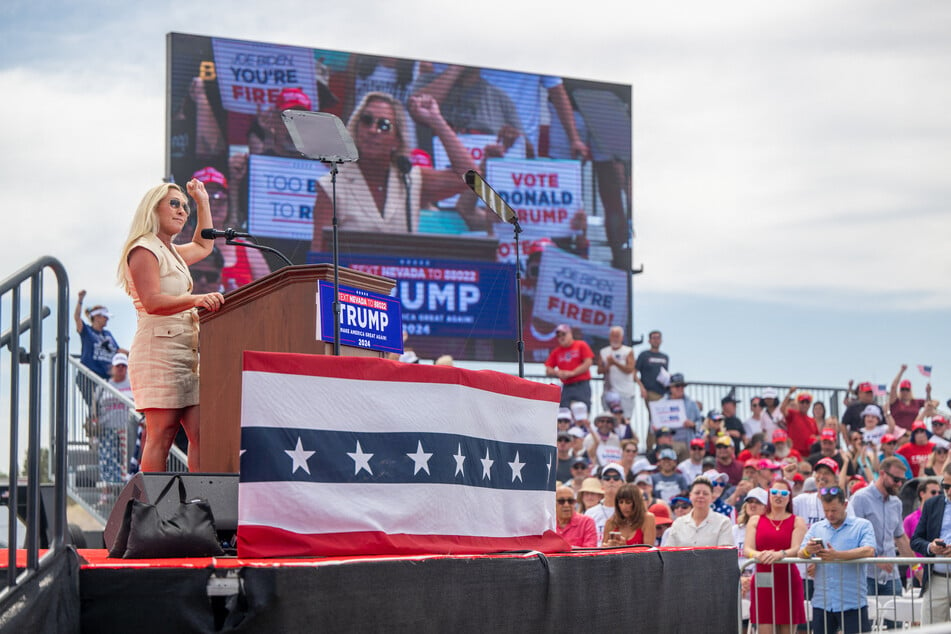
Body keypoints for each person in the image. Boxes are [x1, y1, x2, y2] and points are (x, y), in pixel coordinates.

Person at [117, 180, 225, 472]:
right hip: (158, 351)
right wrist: (197, 299)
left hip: (186, 354)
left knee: (203, 433)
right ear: (153, 208)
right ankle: (153, 511)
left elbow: (204, 244)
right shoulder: (143, 248)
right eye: (174, 204)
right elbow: (152, 301)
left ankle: (200, 504)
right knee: (161, 434)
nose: (182, 211)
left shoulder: (172, 251)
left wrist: (202, 200)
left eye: (184, 206)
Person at [308, 92, 475, 242]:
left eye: (384, 125)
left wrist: (436, 120)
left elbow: (470, 178)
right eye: (366, 121)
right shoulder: (332, 185)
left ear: (397, 140)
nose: (373, 130)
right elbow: (319, 257)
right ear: (357, 129)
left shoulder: (411, 180)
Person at [799, 486, 877, 634]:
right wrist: (808, 550)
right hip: (822, 602)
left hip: (852, 602)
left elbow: (869, 550)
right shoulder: (816, 527)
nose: (829, 514)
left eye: (834, 510)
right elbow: (800, 553)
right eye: (826, 510)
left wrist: (837, 556)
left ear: (845, 505)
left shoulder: (862, 525)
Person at [849, 457, 916, 620]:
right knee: (865, 624)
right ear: (882, 474)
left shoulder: (896, 503)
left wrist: (916, 568)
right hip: (866, 574)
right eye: (896, 479)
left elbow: (900, 537)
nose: (899, 484)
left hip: (892, 575)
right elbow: (851, 537)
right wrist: (874, 559)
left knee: (898, 625)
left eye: (902, 480)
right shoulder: (860, 498)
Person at [189, 166, 270, 292]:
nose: (215, 205)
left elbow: (271, 295)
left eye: (220, 198)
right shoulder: (179, 246)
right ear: (193, 204)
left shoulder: (249, 251)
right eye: (208, 199)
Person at [744, 479, 807, 632]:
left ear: (789, 497)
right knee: (764, 626)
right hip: (763, 579)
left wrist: (781, 554)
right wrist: (759, 555)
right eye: (774, 492)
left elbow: (797, 548)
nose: (778, 496)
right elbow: (747, 549)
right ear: (769, 495)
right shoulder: (755, 520)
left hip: (788, 580)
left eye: (784, 493)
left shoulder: (797, 521)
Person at [910, 461, 951, 625]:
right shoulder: (932, 504)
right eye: (946, 486)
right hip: (936, 579)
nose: (948, 491)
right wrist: (930, 547)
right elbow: (915, 540)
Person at [91, 353, 135, 502]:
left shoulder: (133, 384)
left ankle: (127, 495)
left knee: (127, 462)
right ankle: (106, 493)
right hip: (106, 429)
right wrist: (94, 431)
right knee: (106, 461)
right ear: (112, 368)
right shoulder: (103, 386)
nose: (121, 369)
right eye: (118, 366)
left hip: (127, 430)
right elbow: (94, 409)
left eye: (124, 366)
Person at [73, 290, 123, 405]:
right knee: (95, 406)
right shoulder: (87, 331)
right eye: (105, 317)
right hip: (89, 376)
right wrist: (80, 300)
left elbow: (117, 350)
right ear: (96, 317)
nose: (107, 319)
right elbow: (77, 318)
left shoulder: (108, 334)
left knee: (105, 406)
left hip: (105, 377)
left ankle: (94, 420)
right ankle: (92, 420)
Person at [662, 477, 734, 547]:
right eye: (697, 493)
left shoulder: (723, 523)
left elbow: (725, 555)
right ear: (690, 496)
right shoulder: (678, 523)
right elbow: (668, 552)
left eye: (705, 493)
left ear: (712, 497)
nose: (701, 496)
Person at [544, 324, 595, 410]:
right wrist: (558, 373)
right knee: (564, 412)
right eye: (558, 336)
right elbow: (548, 369)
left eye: (563, 334)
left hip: (581, 384)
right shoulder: (556, 351)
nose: (561, 337)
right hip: (567, 386)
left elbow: (588, 362)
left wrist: (572, 373)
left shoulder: (581, 345)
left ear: (570, 334)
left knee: (582, 412)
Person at [597, 326, 636, 418]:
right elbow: (599, 370)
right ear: (609, 337)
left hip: (625, 392)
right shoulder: (603, 352)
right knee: (610, 420)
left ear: (622, 338)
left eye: (617, 336)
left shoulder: (628, 351)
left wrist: (615, 363)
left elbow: (630, 369)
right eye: (613, 336)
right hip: (609, 392)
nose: (615, 338)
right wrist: (608, 365)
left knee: (625, 420)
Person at [584, 463, 624, 542]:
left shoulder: (627, 511)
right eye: (607, 478)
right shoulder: (590, 513)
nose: (611, 480)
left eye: (616, 478)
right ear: (602, 483)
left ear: (623, 483)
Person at [889, 364, 931, 432]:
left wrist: (928, 393)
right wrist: (901, 371)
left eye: (907, 389)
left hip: (913, 434)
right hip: (898, 434)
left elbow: (929, 404)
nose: (905, 392)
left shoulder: (916, 402)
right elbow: (893, 387)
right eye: (902, 389)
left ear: (910, 391)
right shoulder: (895, 402)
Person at [780, 389, 818, 457]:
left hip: (808, 454)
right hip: (794, 453)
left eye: (807, 402)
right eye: (802, 402)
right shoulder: (793, 414)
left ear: (810, 404)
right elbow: (782, 409)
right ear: (798, 403)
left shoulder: (812, 420)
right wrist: (789, 393)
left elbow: (817, 436)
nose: (804, 404)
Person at [634, 330, 668, 403]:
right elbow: (634, 373)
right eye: (654, 338)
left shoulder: (665, 357)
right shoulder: (644, 355)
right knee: (655, 412)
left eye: (658, 338)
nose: (656, 340)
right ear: (649, 341)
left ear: (661, 340)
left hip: (664, 392)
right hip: (650, 391)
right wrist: (642, 388)